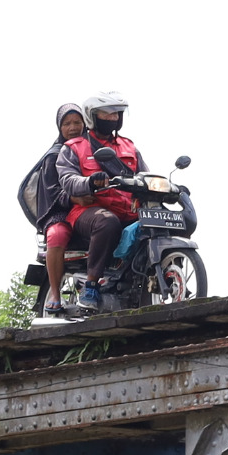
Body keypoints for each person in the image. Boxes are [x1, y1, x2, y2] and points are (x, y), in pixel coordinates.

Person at [55, 94, 143, 311]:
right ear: (93, 116)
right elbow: (68, 179)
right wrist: (89, 182)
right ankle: (91, 286)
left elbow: (144, 175)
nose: (112, 117)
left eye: (116, 113)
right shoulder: (74, 147)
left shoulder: (129, 146)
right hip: (88, 211)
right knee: (107, 222)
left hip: (126, 209)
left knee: (155, 221)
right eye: (107, 113)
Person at [37, 102, 88, 317]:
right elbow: (52, 192)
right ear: (60, 127)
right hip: (61, 212)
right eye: (67, 123)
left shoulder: (93, 149)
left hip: (92, 206)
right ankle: (55, 294)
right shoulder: (53, 156)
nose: (73, 127)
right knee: (56, 236)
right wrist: (75, 197)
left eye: (77, 122)